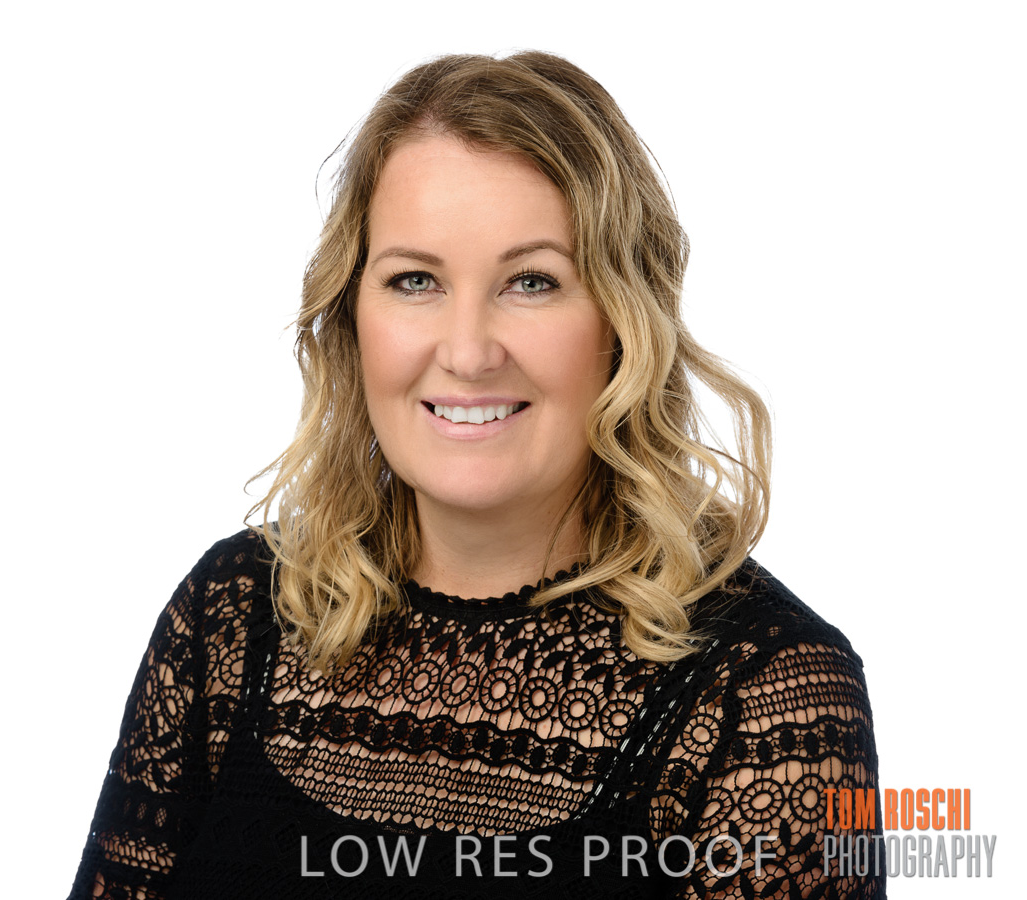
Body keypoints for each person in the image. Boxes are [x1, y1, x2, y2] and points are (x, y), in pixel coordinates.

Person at [69, 52, 884, 899]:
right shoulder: (232, 615)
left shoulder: (768, 691)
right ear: (351, 315)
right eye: (414, 280)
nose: (466, 352)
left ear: (624, 321)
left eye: (531, 282)